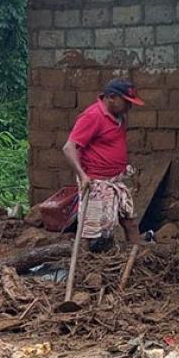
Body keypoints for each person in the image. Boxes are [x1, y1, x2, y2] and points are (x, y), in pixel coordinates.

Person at [62, 78, 144, 247]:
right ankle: (85, 266)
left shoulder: (119, 117)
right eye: (126, 102)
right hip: (96, 183)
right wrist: (83, 176)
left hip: (115, 181)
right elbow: (69, 148)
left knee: (131, 223)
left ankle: (138, 259)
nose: (130, 107)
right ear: (112, 97)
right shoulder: (92, 116)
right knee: (93, 233)